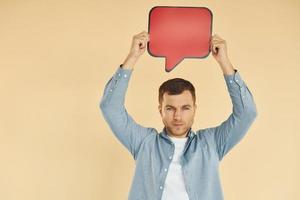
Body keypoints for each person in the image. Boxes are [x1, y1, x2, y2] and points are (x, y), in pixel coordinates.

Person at [99, 31, 257, 200]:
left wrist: (224, 62)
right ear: (160, 110)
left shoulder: (211, 143)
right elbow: (110, 107)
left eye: (185, 108)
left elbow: (247, 113)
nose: (177, 116)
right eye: (170, 108)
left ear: (195, 109)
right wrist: (132, 57)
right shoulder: (144, 143)